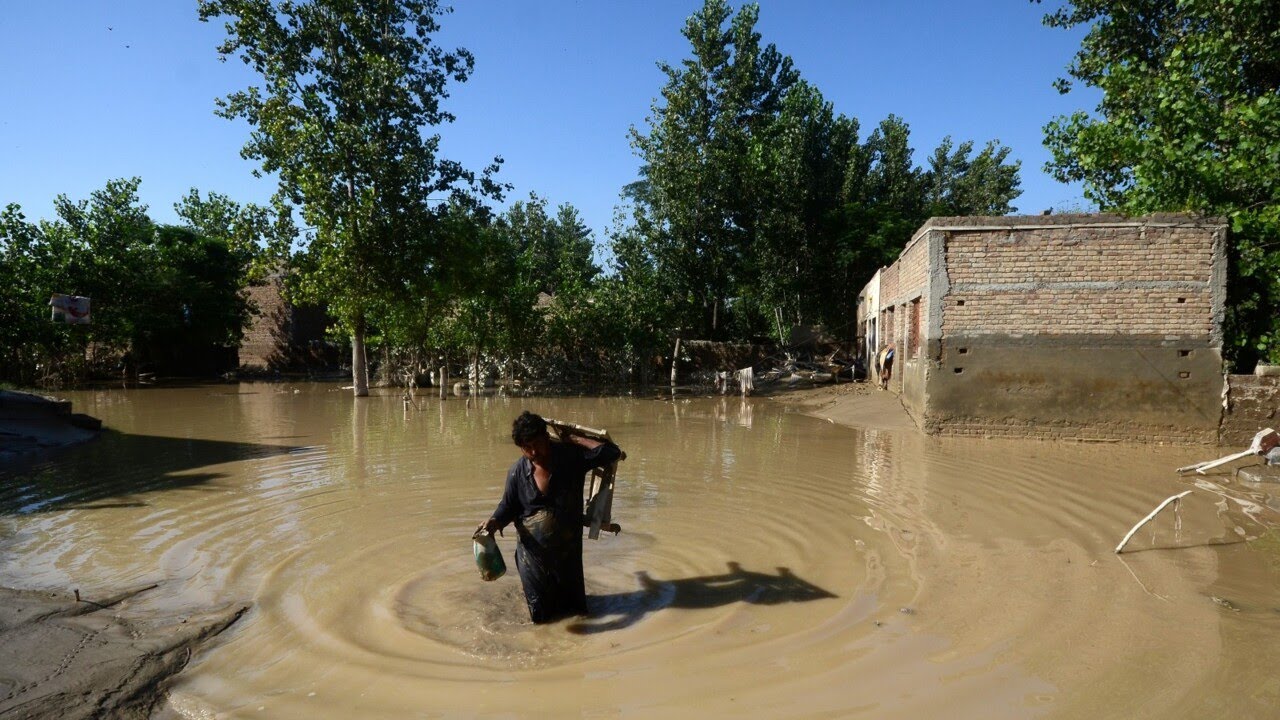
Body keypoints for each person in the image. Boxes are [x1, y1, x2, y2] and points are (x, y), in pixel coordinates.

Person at [477, 411, 621, 623]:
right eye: (527, 447)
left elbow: (611, 452)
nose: (534, 451)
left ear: (546, 437)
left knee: (578, 613)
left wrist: (574, 439)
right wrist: (494, 521)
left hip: (568, 554)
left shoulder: (571, 457)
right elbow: (508, 506)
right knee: (541, 619)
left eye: (537, 443)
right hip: (531, 556)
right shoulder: (517, 472)